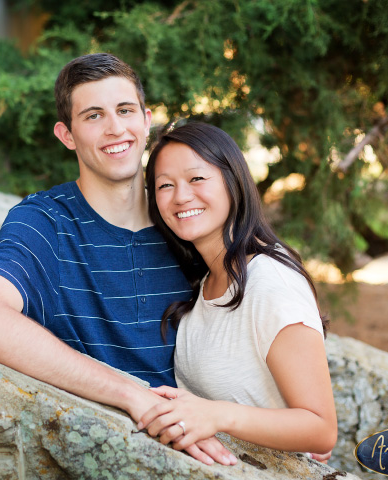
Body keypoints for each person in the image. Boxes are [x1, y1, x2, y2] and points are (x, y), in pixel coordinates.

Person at [0, 54, 236, 466]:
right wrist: (132, 395)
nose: (115, 128)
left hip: (214, 444)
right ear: (66, 135)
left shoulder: (185, 217)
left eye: (125, 111)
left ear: (146, 120)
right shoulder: (44, 221)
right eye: (93, 116)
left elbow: (254, 304)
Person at [137, 122, 337, 461]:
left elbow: (321, 431)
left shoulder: (271, 282)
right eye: (165, 185)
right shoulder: (203, 282)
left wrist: (217, 414)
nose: (181, 196)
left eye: (197, 178)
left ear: (233, 181)